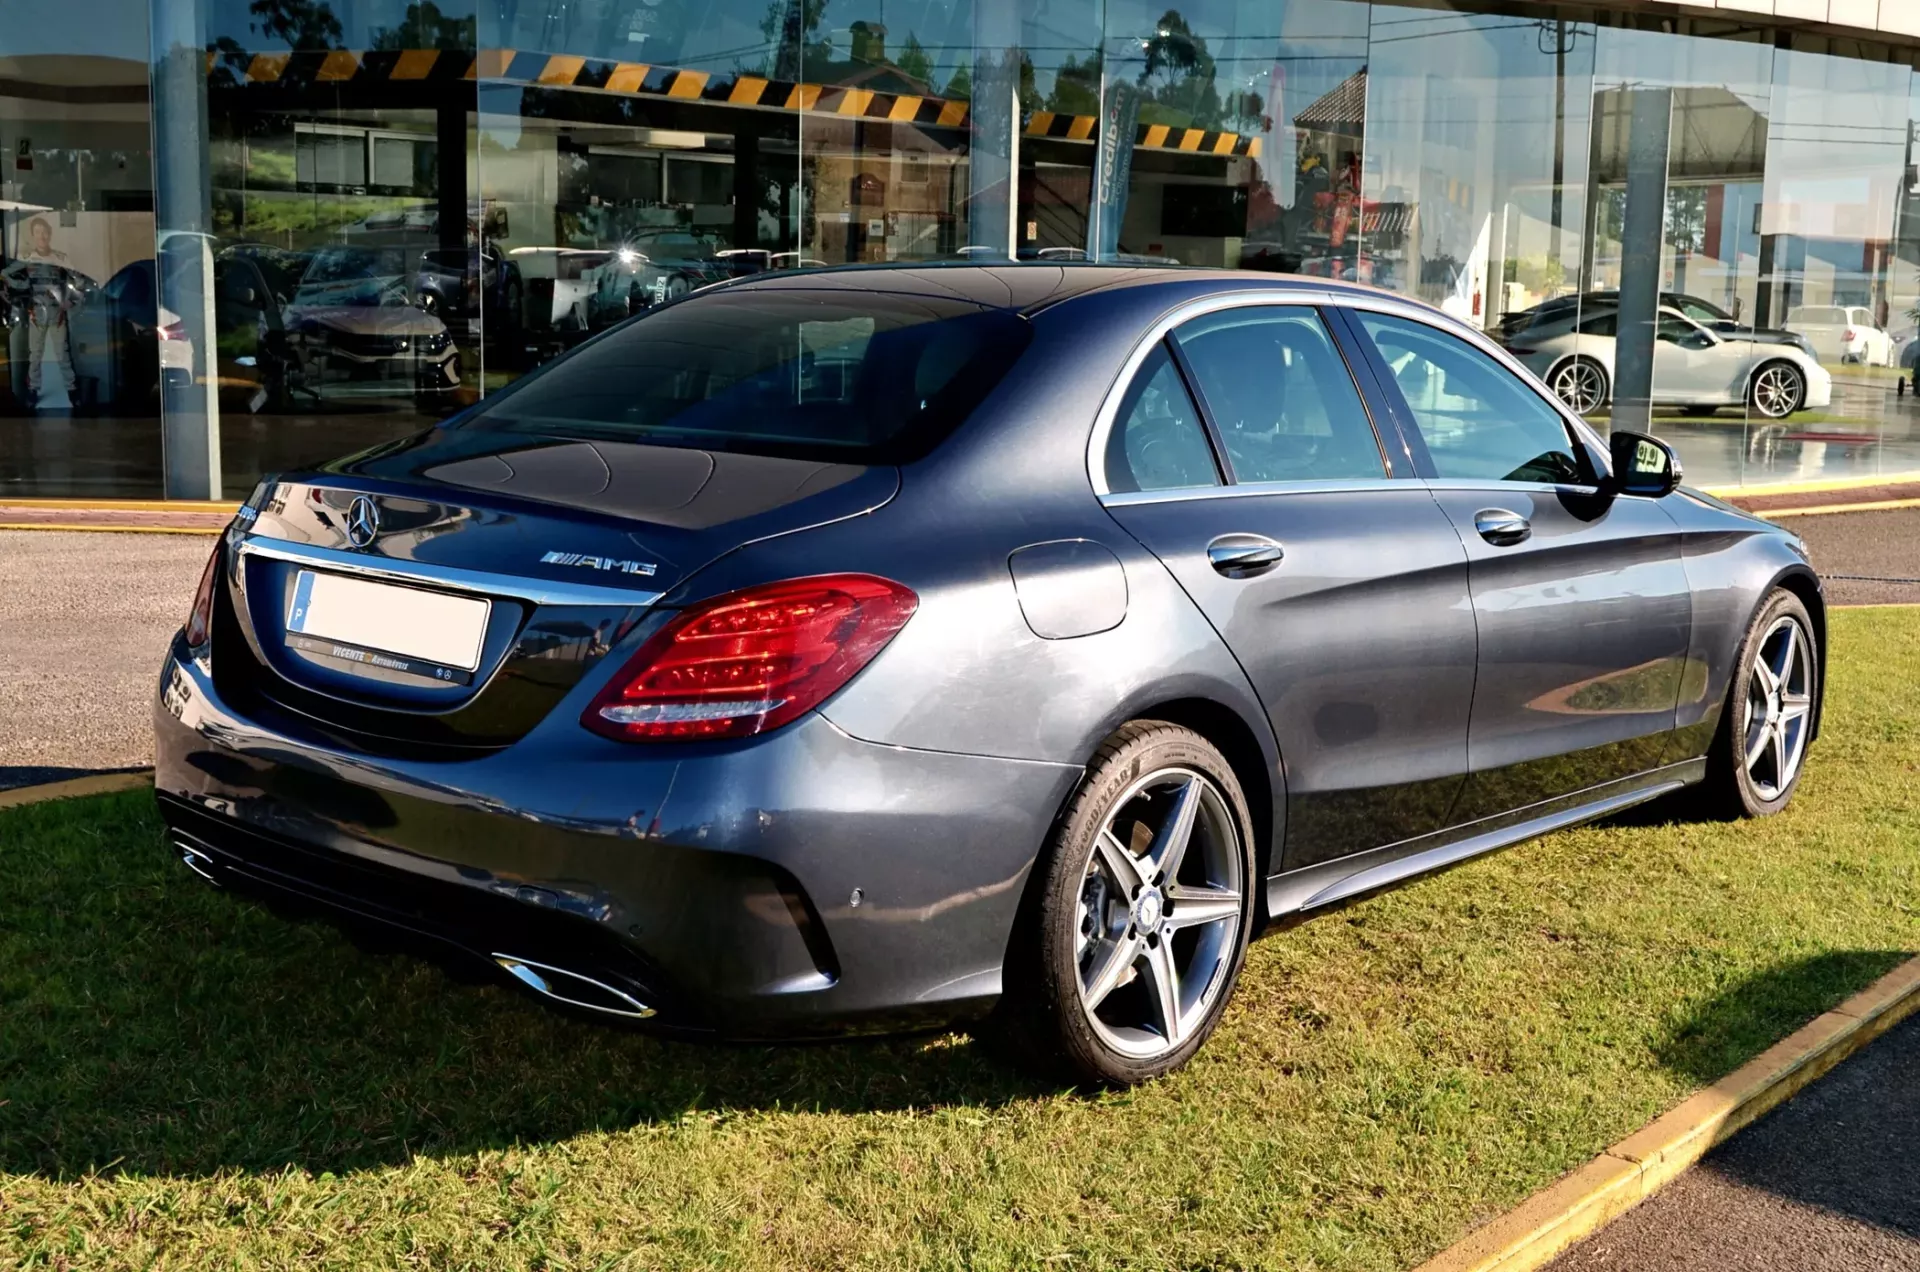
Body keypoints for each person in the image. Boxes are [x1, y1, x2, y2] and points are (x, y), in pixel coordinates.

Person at [1, 216, 90, 407]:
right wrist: (22, 285)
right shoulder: (27, 258)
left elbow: (80, 280)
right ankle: (33, 390)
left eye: (44, 232)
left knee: (62, 354)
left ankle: (72, 390)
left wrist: (71, 301)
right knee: (35, 354)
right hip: (36, 314)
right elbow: (5, 274)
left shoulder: (60, 258)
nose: (41, 235)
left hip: (57, 313)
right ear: (33, 236)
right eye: (38, 232)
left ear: (49, 235)